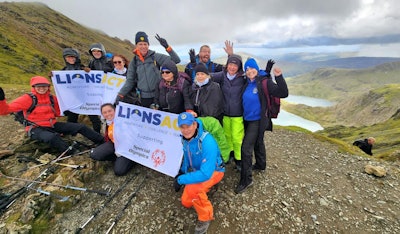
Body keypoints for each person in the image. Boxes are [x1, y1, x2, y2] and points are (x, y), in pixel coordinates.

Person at [0, 76, 104, 154]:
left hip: (52, 124)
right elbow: (4, 111)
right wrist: (1, 100)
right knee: (51, 137)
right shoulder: (27, 98)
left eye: (44, 86)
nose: (42, 88)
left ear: (48, 87)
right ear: (34, 87)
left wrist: (70, 109)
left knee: (81, 127)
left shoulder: (52, 98)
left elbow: (58, 112)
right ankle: (69, 151)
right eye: (39, 86)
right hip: (35, 128)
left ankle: (102, 140)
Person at [235, 58, 288, 194]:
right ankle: (260, 164)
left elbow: (283, 93)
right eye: (247, 69)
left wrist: (279, 77)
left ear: (257, 69)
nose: (249, 71)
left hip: (258, 120)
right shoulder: (246, 83)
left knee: (246, 148)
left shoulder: (264, 82)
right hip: (247, 119)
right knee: (258, 141)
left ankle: (246, 180)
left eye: (252, 68)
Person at [174, 112, 225, 234]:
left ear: (195, 124)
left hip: (214, 171)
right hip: (200, 169)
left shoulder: (207, 142)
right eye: (182, 127)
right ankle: (203, 190)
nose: (185, 130)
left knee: (193, 190)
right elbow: (187, 157)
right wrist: (182, 171)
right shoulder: (186, 139)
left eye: (188, 126)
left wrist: (181, 180)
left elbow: (205, 174)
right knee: (186, 202)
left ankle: (206, 217)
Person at [116, 31, 181, 108]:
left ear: (148, 45)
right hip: (144, 98)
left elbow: (176, 60)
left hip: (159, 95)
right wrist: (121, 94)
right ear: (136, 45)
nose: (143, 46)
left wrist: (167, 47)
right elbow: (130, 81)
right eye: (140, 44)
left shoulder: (155, 57)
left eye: (145, 44)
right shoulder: (134, 62)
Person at [210, 54, 245, 167]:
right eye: (230, 64)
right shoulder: (223, 75)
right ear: (227, 65)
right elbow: (209, 76)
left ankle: (238, 159)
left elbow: (256, 77)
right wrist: (198, 71)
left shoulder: (243, 78)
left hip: (238, 114)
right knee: (227, 135)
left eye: (235, 65)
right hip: (225, 113)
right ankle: (229, 154)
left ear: (239, 67)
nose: (232, 67)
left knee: (237, 137)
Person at [60, 47, 102, 133]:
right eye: (68, 57)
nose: (71, 59)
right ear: (65, 58)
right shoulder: (63, 71)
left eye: (73, 57)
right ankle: (72, 134)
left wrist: (88, 71)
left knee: (94, 118)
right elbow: (60, 85)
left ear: (77, 57)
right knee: (72, 118)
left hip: (87, 98)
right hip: (73, 99)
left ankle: (98, 135)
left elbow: (93, 80)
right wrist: (52, 77)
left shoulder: (83, 68)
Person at [89, 103, 135, 176]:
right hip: (114, 144)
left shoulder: (124, 120)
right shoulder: (106, 123)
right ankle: (116, 158)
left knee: (119, 171)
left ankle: (131, 160)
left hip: (128, 148)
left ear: (115, 110)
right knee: (94, 155)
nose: (108, 114)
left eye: (110, 111)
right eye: (105, 112)